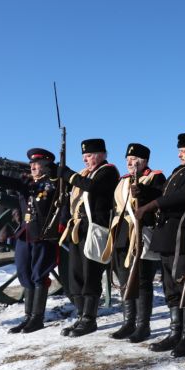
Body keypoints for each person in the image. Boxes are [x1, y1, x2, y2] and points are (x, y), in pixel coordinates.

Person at [0, 149, 61, 333]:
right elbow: (1, 180)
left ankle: (37, 319)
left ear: (47, 165)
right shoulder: (26, 182)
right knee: (24, 272)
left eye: (36, 164)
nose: (32, 166)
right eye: (31, 164)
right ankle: (27, 317)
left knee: (39, 275)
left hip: (44, 235)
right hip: (25, 234)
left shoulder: (55, 183)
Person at [136, 133, 185, 356]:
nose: (179, 154)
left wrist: (151, 205)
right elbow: (165, 192)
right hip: (167, 234)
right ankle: (175, 332)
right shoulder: (178, 171)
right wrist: (145, 192)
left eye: (184, 151)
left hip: (184, 234)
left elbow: (183, 197)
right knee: (170, 286)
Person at [59, 138, 119, 337]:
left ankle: (89, 319)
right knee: (76, 274)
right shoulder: (85, 174)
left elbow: (91, 187)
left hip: (96, 227)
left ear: (101, 155)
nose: (86, 159)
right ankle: (80, 314)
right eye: (84, 156)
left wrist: (67, 174)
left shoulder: (108, 172)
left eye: (90, 155)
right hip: (79, 227)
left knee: (90, 274)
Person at [108, 143, 165, 342]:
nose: (130, 163)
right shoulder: (122, 181)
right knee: (125, 282)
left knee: (142, 282)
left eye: (135, 160)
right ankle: (128, 322)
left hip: (141, 233)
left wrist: (143, 191)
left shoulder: (155, 177)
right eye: (128, 160)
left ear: (145, 161)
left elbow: (159, 196)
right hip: (123, 235)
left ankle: (143, 326)